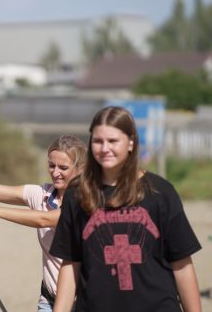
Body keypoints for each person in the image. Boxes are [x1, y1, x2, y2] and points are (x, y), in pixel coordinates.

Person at [50, 106, 202, 312]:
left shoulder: (160, 192)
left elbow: (182, 265)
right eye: (98, 141)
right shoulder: (77, 193)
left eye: (113, 141)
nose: (105, 148)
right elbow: (70, 264)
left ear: (130, 142)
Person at [0, 135, 87, 311]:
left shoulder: (89, 201)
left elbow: (44, 219)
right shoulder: (41, 194)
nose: (55, 172)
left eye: (63, 167)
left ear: (81, 169)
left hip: (84, 303)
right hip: (49, 300)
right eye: (52, 165)